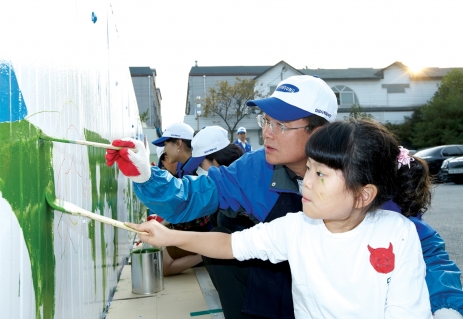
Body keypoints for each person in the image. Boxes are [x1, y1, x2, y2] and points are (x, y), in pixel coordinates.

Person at [106, 75, 463, 318]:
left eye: (282, 124)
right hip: (281, 291)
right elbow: (190, 199)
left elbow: (426, 253)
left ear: (322, 132)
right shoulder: (253, 170)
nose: (268, 133)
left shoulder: (365, 180)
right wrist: (145, 173)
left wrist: (447, 306)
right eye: (265, 120)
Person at [159, 125, 247, 275]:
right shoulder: (236, 178)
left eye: (200, 165)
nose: (199, 171)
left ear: (216, 162)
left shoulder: (238, 190)